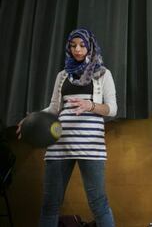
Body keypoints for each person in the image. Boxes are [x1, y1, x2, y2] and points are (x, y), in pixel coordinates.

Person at [17, 28, 117, 227]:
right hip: (59, 146)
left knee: (98, 203)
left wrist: (91, 105)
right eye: (73, 46)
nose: (77, 50)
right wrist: (31, 120)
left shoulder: (103, 74)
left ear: (90, 47)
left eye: (82, 45)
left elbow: (113, 109)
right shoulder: (62, 76)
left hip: (91, 148)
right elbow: (54, 108)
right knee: (50, 204)